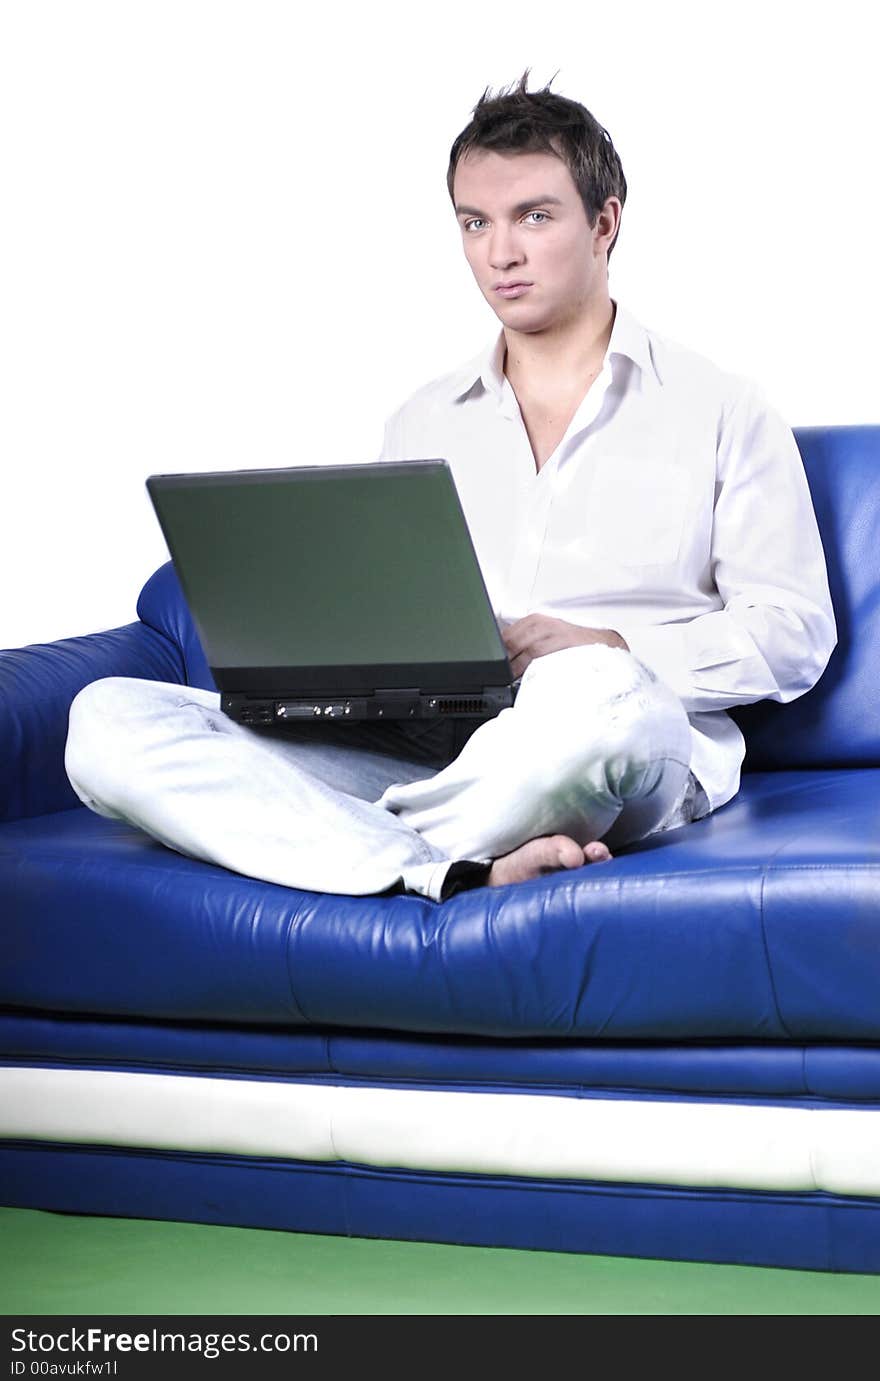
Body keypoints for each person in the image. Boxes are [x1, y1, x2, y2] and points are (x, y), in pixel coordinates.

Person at [64, 70, 837, 901]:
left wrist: (607, 648)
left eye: (533, 217)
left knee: (601, 697)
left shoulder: (721, 406)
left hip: (611, 741)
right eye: (476, 223)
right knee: (105, 720)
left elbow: (794, 633)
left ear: (605, 222)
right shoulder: (422, 420)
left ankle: (337, 843)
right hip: (435, 749)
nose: (499, 253)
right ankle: (443, 866)